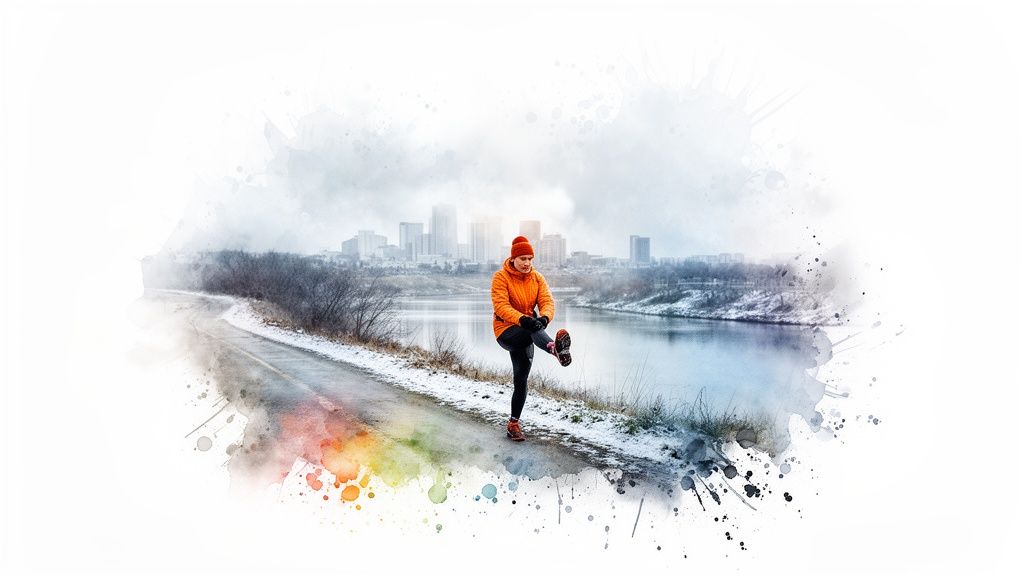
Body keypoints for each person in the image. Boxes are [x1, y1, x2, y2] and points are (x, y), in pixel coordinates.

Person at [491, 235, 572, 442]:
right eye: (523, 259)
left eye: (530, 259)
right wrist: (523, 319)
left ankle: (513, 424)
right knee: (530, 325)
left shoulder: (537, 278)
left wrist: (545, 317)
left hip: (530, 333)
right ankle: (554, 349)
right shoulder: (501, 277)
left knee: (521, 379)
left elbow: (547, 301)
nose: (527, 263)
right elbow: (501, 306)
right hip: (506, 331)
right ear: (513, 259)